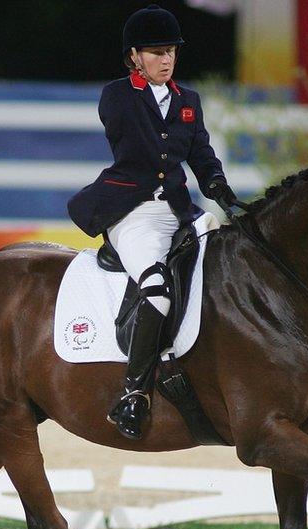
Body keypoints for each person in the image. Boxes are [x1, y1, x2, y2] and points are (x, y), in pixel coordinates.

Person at [67, 4, 238, 440]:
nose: (167, 60)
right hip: (134, 214)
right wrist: (159, 107)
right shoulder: (119, 96)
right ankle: (133, 393)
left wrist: (219, 187)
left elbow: (201, 155)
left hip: (179, 210)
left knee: (230, 262)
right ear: (134, 57)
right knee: (158, 291)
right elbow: (144, 149)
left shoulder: (188, 102)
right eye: (157, 52)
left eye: (172, 52)